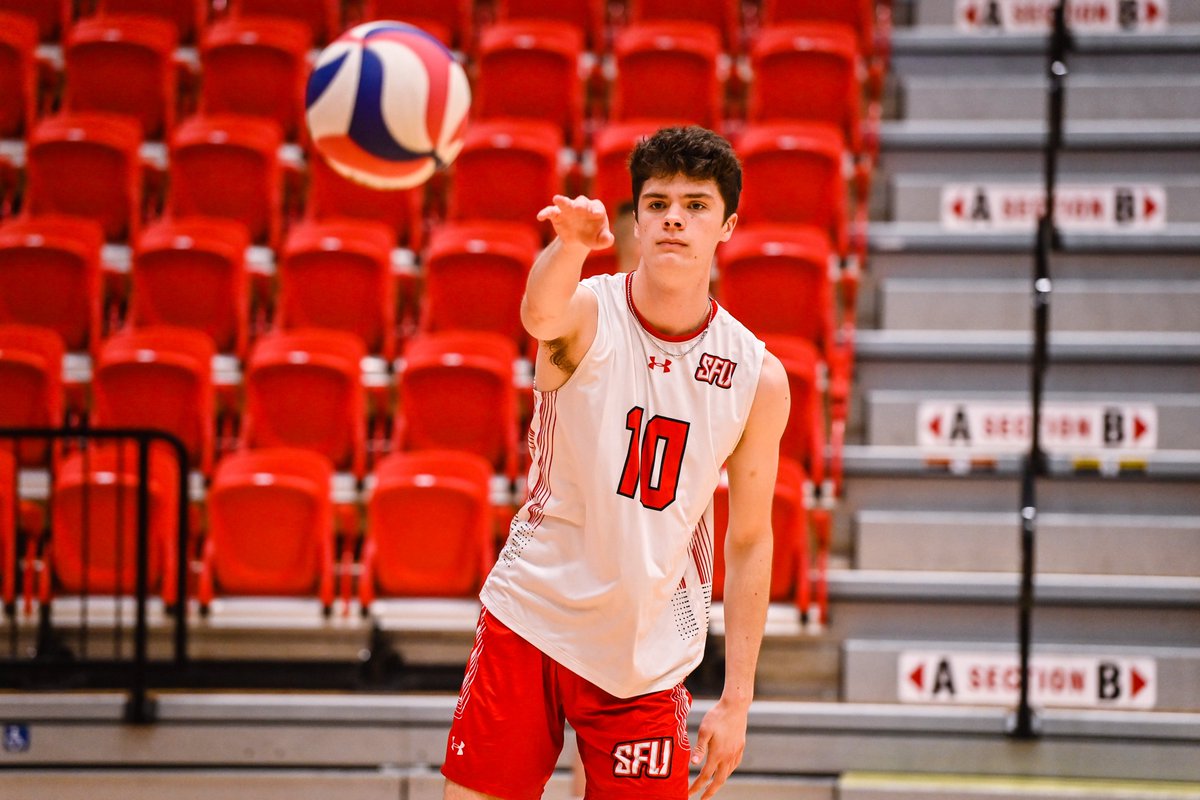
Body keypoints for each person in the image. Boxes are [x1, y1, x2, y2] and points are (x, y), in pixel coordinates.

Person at [442, 126, 790, 800]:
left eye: (696, 206)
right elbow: (539, 314)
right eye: (658, 203)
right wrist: (570, 246)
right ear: (636, 218)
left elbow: (750, 539)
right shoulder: (589, 312)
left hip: (647, 655)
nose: (674, 220)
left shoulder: (756, 375)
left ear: (727, 226)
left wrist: (738, 698)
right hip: (533, 618)